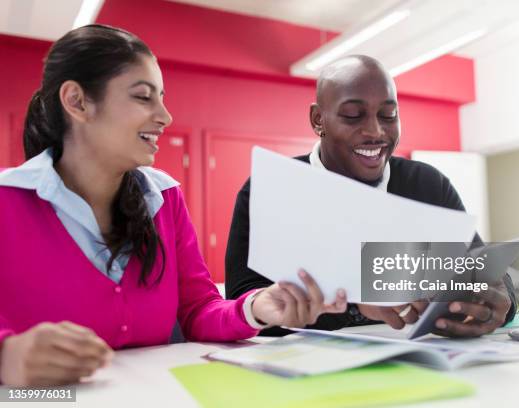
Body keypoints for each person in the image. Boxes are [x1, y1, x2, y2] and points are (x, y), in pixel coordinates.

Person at [0, 24, 347, 386]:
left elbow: (198, 310)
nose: (164, 116)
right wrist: (7, 357)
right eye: (143, 96)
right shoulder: (7, 201)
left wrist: (257, 308)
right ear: (77, 101)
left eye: (161, 97)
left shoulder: (164, 198)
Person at [225, 55, 517, 336]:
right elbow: (243, 303)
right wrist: (359, 304)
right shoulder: (270, 189)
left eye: (388, 115)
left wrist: (498, 297)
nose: (375, 131)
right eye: (353, 115)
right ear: (318, 120)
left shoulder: (428, 184)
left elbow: (481, 264)